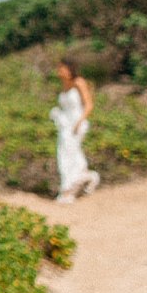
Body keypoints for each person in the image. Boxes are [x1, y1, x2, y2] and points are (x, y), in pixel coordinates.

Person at [51, 59, 101, 203]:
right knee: (67, 153)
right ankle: (86, 178)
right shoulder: (64, 85)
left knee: (69, 154)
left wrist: (79, 122)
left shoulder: (79, 82)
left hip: (76, 124)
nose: (59, 71)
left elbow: (88, 104)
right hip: (65, 125)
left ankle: (69, 189)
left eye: (62, 68)